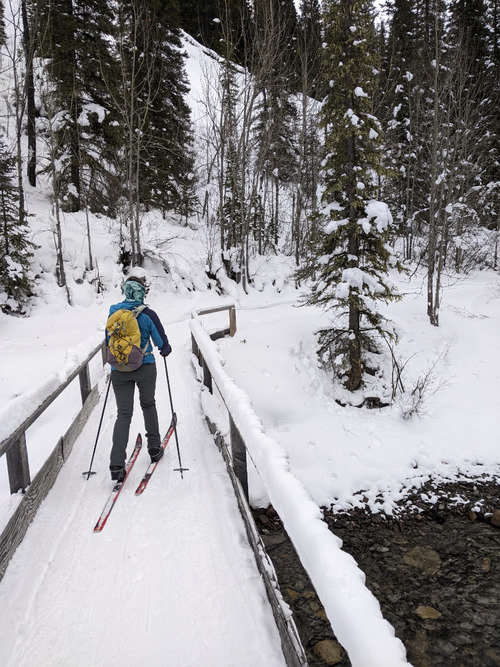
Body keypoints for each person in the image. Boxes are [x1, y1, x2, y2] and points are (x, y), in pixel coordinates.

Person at [106, 275, 172, 482]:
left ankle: (116, 465)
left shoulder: (113, 312)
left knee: (123, 414)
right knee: (148, 405)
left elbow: (108, 338)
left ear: (126, 291)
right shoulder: (148, 314)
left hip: (119, 369)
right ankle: (154, 448)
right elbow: (162, 343)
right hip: (145, 367)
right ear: (141, 292)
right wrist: (164, 349)